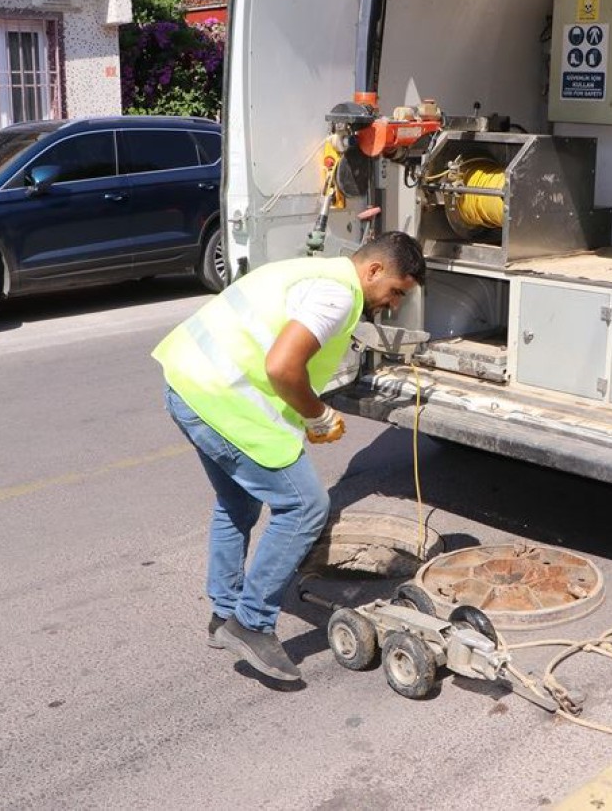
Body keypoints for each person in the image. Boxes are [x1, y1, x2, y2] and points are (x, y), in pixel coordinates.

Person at [153, 231, 426, 681]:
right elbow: (282, 366)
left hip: (187, 385)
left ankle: (224, 614)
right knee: (305, 506)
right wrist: (318, 415)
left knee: (237, 503)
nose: (393, 304)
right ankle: (251, 623)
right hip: (220, 402)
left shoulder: (311, 270)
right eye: (396, 291)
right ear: (374, 270)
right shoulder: (337, 294)